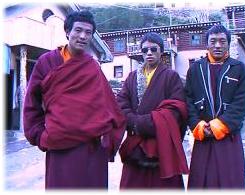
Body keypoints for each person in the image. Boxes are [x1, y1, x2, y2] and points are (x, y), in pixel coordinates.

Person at [23, 10, 126, 189]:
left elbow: (111, 107)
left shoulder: (92, 67)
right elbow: (32, 103)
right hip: (59, 144)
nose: (83, 36)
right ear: (67, 32)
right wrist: (38, 135)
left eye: (88, 32)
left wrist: (108, 140)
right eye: (78, 30)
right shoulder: (47, 62)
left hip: (91, 147)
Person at [117, 32, 189, 189]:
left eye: (153, 49)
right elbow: (121, 104)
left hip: (161, 142)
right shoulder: (132, 77)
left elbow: (176, 109)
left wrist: (143, 124)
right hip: (136, 143)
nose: (149, 53)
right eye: (145, 50)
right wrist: (134, 122)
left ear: (161, 52)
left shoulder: (171, 77)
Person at [185, 24, 245, 189]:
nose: (218, 45)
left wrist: (220, 125)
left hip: (228, 136)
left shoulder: (239, 69)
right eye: (213, 41)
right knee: (202, 184)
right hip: (203, 137)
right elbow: (188, 101)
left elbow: (241, 103)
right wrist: (197, 125)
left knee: (230, 183)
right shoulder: (195, 69)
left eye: (222, 41)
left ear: (228, 43)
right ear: (206, 44)